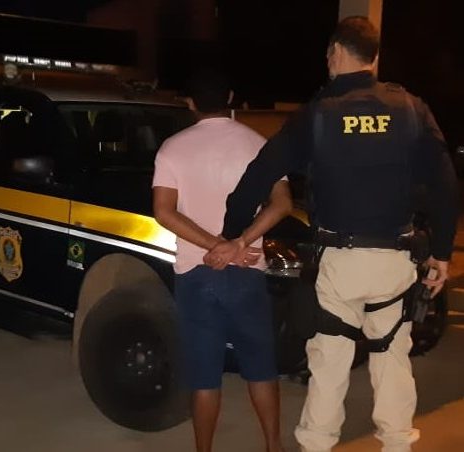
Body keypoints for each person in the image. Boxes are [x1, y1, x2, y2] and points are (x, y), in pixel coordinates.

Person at [205, 16, 460, 452]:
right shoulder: (411, 108)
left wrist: (233, 233)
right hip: (396, 259)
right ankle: (398, 444)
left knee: (330, 361)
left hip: (341, 262)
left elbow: (259, 175)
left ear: (336, 53)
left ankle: (317, 445)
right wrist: (441, 252)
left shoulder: (318, 114)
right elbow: (444, 184)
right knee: (392, 357)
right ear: (373, 58)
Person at [152, 69, 291, 452]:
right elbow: (282, 203)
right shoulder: (259, 144)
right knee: (261, 369)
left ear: (190, 103)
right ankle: (273, 445)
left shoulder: (172, 148)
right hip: (247, 270)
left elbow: (163, 211)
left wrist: (216, 246)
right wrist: (238, 243)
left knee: (204, 378)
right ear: (230, 97)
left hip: (197, 275)